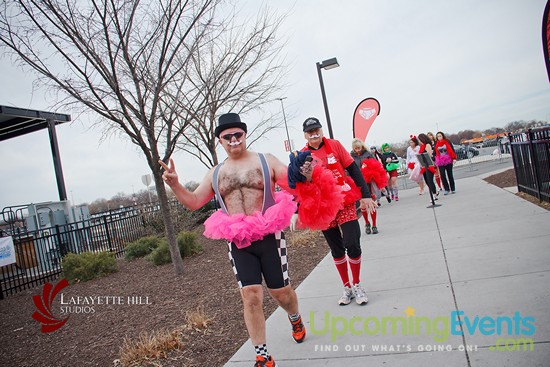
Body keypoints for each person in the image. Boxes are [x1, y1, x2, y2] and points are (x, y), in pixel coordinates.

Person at [159, 113, 306, 367]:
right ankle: (262, 355)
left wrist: (305, 171)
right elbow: (194, 202)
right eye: (228, 136)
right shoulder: (216, 173)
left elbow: (294, 182)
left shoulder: (265, 160)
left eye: (238, 134)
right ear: (220, 141)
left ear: (245, 135)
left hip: (270, 236)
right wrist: (175, 185)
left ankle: (295, 318)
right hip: (239, 242)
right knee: (250, 295)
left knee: (281, 293)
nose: (234, 140)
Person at [300, 118, 376, 306]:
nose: (314, 134)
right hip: (322, 206)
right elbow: (298, 185)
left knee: (352, 242)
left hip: (344, 200)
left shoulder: (334, 145)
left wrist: (366, 195)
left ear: (321, 130)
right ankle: (347, 287)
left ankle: (357, 284)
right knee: (336, 248)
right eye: (310, 132)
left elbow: (353, 169)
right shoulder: (302, 155)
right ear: (305, 135)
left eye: (316, 129)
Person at [351, 139, 388, 234]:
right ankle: (367, 223)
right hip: (358, 183)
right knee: (362, 204)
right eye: (355, 149)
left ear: (362, 147)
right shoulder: (351, 156)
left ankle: (374, 224)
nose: (357, 150)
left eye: (359, 148)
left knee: (372, 203)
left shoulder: (368, 154)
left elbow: (377, 166)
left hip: (369, 182)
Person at [417, 133, 439, 200]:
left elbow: (429, 154)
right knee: (427, 181)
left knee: (430, 180)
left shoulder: (427, 145)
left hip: (429, 165)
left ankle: (434, 194)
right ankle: (434, 191)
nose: (419, 142)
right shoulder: (421, 146)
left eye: (420, 140)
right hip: (424, 165)